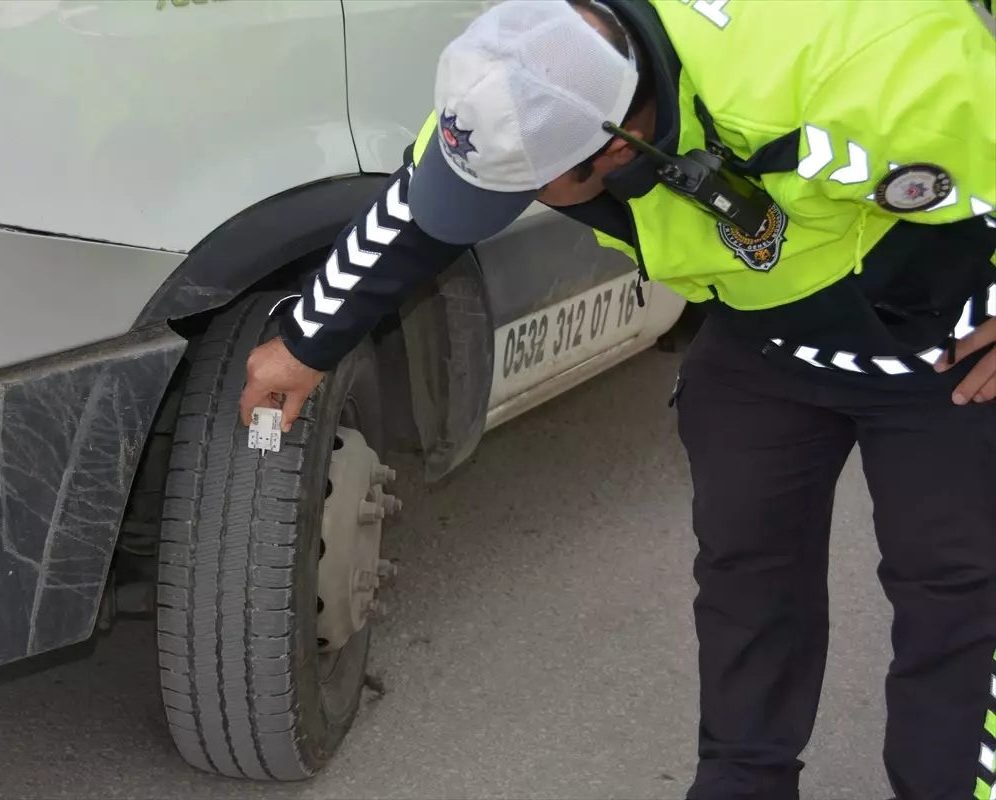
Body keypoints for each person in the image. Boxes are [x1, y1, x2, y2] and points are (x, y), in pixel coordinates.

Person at [238, 1, 996, 797]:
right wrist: (304, 344)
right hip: (761, 335)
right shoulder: (532, 70)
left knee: (959, 595)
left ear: (616, 148)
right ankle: (743, 780)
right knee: (747, 575)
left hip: (945, 352)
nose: (521, 200)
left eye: (536, 188)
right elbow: (418, 211)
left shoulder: (879, 66)